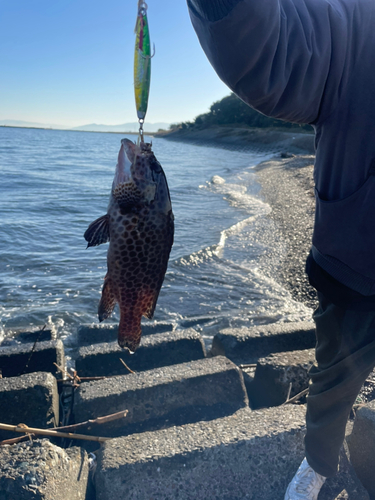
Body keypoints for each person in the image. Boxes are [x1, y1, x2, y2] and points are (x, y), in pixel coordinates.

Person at [186, 0, 375, 498]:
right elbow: (275, 53)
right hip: (357, 263)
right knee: (334, 375)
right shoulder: (357, 23)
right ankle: (319, 463)